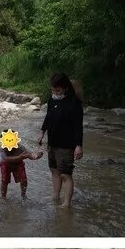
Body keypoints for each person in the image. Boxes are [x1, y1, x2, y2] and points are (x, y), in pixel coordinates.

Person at [38, 73, 84, 208]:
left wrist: (79, 145)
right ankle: (55, 196)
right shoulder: (52, 100)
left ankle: (66, 203)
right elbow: (48, 116)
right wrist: (42, 131)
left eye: (57, 90)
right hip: (52, 141)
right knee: (54, 170)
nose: (55, 92)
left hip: (66, 144)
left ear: (65, 88)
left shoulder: (74, 103)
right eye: (53, 90)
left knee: (65, 174)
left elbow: (78, 126)